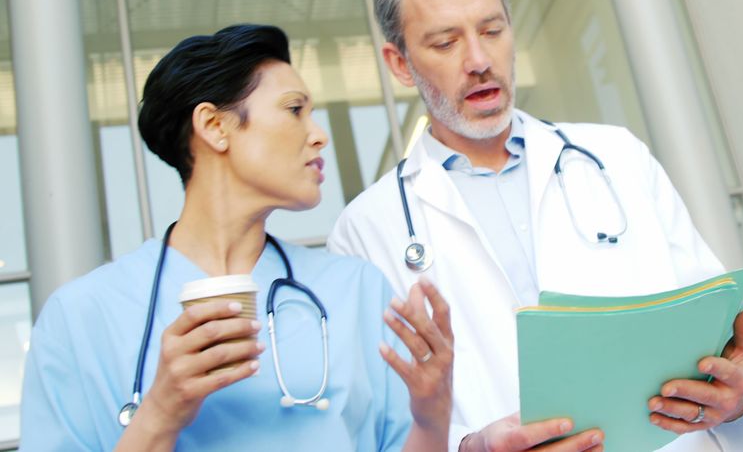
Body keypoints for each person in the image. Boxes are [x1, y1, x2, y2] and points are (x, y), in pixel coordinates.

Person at [327, 0, 743, 452]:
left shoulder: (618, 158)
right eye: (445, 42)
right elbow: (378, 426)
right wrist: (474, 449)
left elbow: (714, 325)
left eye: (492, 30)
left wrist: (740, 398)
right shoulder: (365, 232)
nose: (478, 59)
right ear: (400, 64)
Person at [20, 24, 454, 451]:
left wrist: (432, 416)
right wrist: (160, 413)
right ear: (213, 126)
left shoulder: (357, 291)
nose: (318, 135)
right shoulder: (80, 319)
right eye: (294, 110)